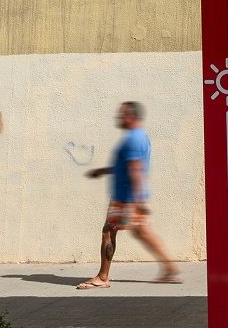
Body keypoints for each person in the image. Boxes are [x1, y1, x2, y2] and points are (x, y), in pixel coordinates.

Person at [77, 101, 181, 289]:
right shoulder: (142, 136)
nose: (118, 117)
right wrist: (102, 171)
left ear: (131, 116)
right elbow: (127, 166)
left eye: (122, 114)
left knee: (108, 231)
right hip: (130, 195)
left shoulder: (133, 138)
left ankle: (102, 277)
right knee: (142, 233)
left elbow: (135, 169)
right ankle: (169, 268)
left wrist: (137, 199)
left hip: (125, 197)